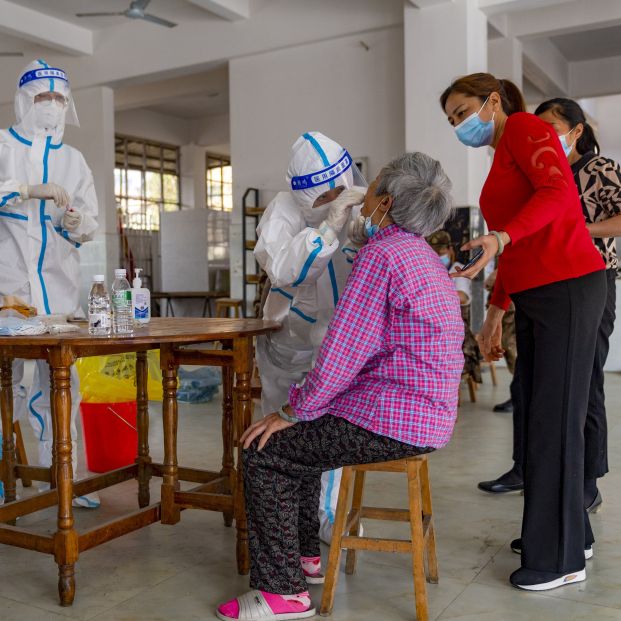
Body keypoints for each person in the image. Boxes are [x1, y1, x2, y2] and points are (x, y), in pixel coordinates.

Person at [216, 152, 463, 621]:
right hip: (427, 414)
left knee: (264, 449)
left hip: (397, 417)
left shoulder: (381, 255)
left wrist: (291, 411)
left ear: (385, 202)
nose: (357, 201)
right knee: (301, 442)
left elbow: (343, 354)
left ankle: (281, 592)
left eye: (366, 194)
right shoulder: (423, 255)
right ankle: (306, 555)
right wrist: (304, 411)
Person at [441, 73, 605, 591]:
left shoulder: (526, 129)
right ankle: (565, 534)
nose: (459, 124)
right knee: (537, 417)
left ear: (493, 101)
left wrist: (502, 234)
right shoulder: (501, 152)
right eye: (451, 120)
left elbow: (559, 194)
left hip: (569, 286)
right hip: (537, 294)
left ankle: (560, 560)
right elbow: (509, 249)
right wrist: (494, 312)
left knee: (556, 419)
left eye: (463, 110)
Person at [478, 98, 621, 509]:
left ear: (576, 131)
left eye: (552, 125)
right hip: (542, 285)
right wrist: (496, 308)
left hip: (588, 279)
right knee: (530, 385)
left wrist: (578, 229)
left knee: (584, 387)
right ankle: (529, 468)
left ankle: (586, 484)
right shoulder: (530, 166)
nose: (541, 132)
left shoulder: (597, 169)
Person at [254, 131, 367, 545]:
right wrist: (328, 228)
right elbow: (285, 270)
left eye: (339, 191)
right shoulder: (283, 209)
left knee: (331, 427)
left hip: (340, 343)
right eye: (322, 200)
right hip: (288, 340)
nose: (335, 200)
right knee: (280, 427)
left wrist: (357, 230)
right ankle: (280, 516)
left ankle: (324, 516)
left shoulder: (363, 198)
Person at [0, 60, 100, 508]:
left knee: (60, 385)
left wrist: (78, 222)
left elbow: (89, 221)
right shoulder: (2, 145)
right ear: (25, 101)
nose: (53, 106)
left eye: (60, 98)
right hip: (9, 289)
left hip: (57, 289)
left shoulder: (72, 159)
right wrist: (24, 188)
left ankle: (64, 480)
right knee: (5, 384)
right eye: (44, 97)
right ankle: (5, 475)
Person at [426, 230, 482, 385]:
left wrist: (435, 294)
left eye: (441, 250)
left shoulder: (458, 269)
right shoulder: (431, 270)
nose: (438, 254)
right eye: (434, 251)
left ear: (450, 250)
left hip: (456, 326)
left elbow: (463, 297)